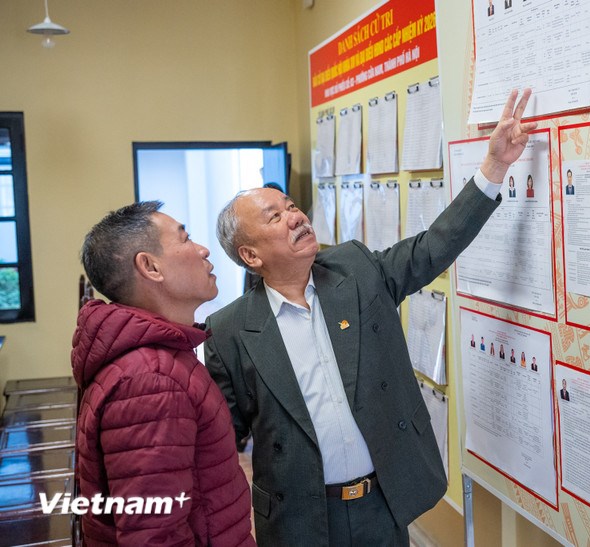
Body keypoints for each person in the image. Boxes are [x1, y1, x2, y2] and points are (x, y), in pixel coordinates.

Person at [205, 89, 537, 546]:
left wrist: (494, 167)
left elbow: (432, 248)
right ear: (250, 255)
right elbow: (219, 445)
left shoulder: (355, 271)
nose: (295, 217)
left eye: (292, 206)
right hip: (300, 523)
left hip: (382, 507)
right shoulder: (228, 332)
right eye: (274, 216)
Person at [72, 202, 254, 546]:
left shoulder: (160, 359)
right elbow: (154, 534)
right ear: (150, 266)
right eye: (185, 239)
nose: (203, 250)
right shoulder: (150, 381)